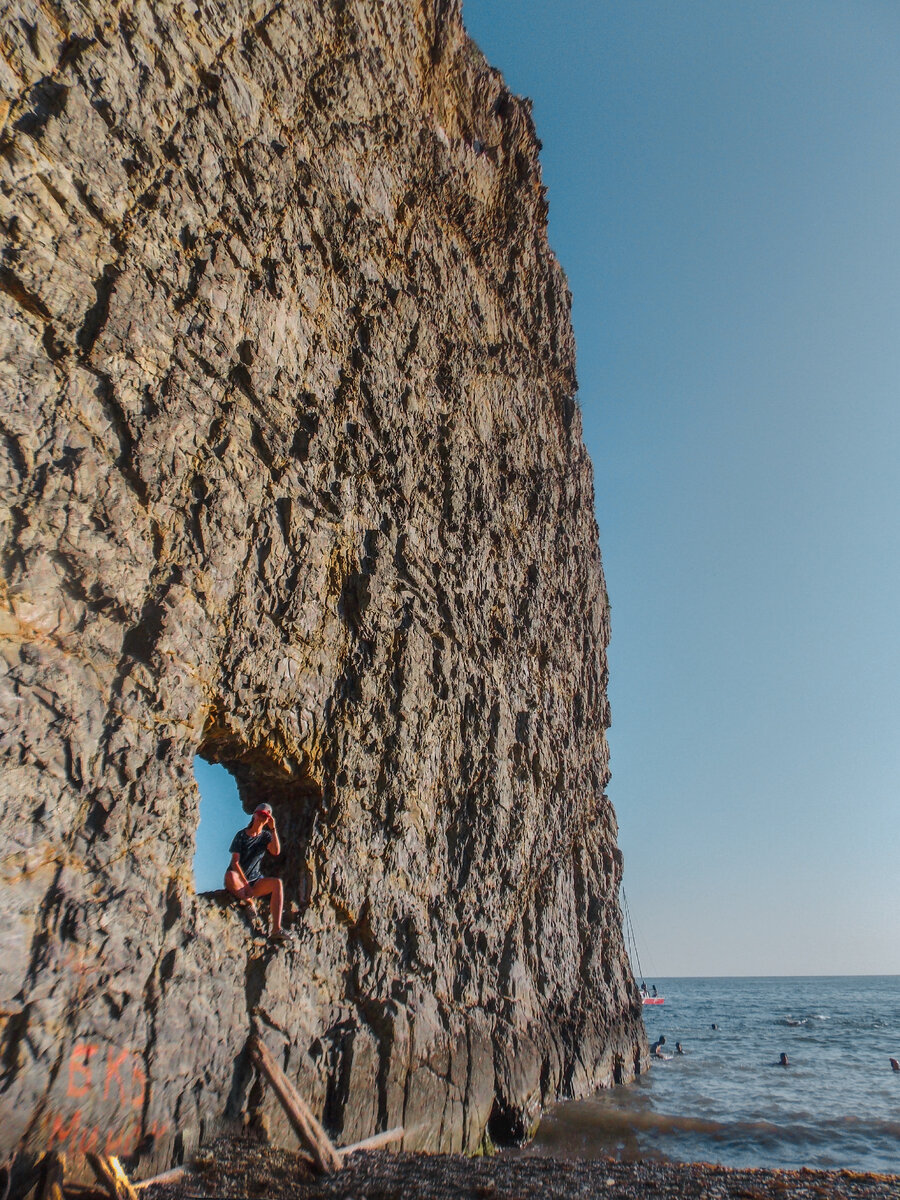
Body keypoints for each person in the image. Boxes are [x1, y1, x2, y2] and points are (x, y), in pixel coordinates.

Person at [225, 802, 286, 942]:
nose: (261, 818)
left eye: (265, 816)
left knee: (277, 883)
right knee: (230, 876)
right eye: (260, 814)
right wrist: (245, 884)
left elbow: (276, 851)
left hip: (255, 881)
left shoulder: (266, 837)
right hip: (238, 881)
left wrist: (273, 829)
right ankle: (248, 901)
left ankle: (276, 929)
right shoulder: (241, 835)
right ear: (254, 815)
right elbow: (235, 862)